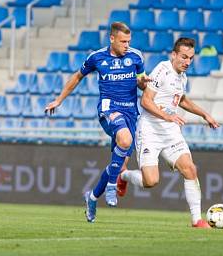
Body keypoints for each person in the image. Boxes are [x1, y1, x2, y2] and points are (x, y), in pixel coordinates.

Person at [45, 21, 150, 222]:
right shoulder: (96, 57)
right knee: (125, 140)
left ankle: (92, 198)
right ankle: (111, 186)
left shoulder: (136, 57)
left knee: (118, 166)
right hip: (108, 109)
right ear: (112, 39)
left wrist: (143, 83)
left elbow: (141, 83)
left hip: (130, 112)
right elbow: (77, 77)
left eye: (128, 41)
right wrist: (59, 100)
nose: (126, 45)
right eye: (122, 41)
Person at [117, 37, 220, 228]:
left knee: (190, 168)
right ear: (174, 55)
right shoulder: (162, 70)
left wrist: (205, 114)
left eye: (190, 58)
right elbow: (146, 101)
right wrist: (167, 116)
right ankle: (122, 176)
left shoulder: (182, 76)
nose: (187, 62)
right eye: (183, 57)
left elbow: (182, 100)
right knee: (151, 181)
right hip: (150, 130)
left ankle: (197, 220)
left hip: (170, 131)